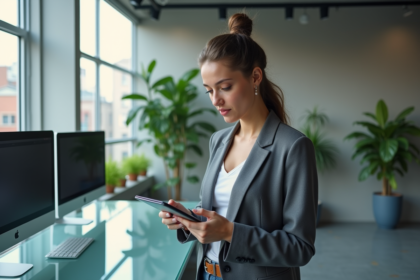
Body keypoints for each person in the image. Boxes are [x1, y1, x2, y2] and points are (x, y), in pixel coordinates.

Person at [159, 12, 318, 280]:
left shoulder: (293, 147)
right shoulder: (218, 140)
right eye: (209, 90)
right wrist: (188, 219)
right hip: (208, 275)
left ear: (255, 77)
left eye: (225, 87)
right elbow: (219, 209)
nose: (215, 100)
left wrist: (230, 232)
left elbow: (300, 248)